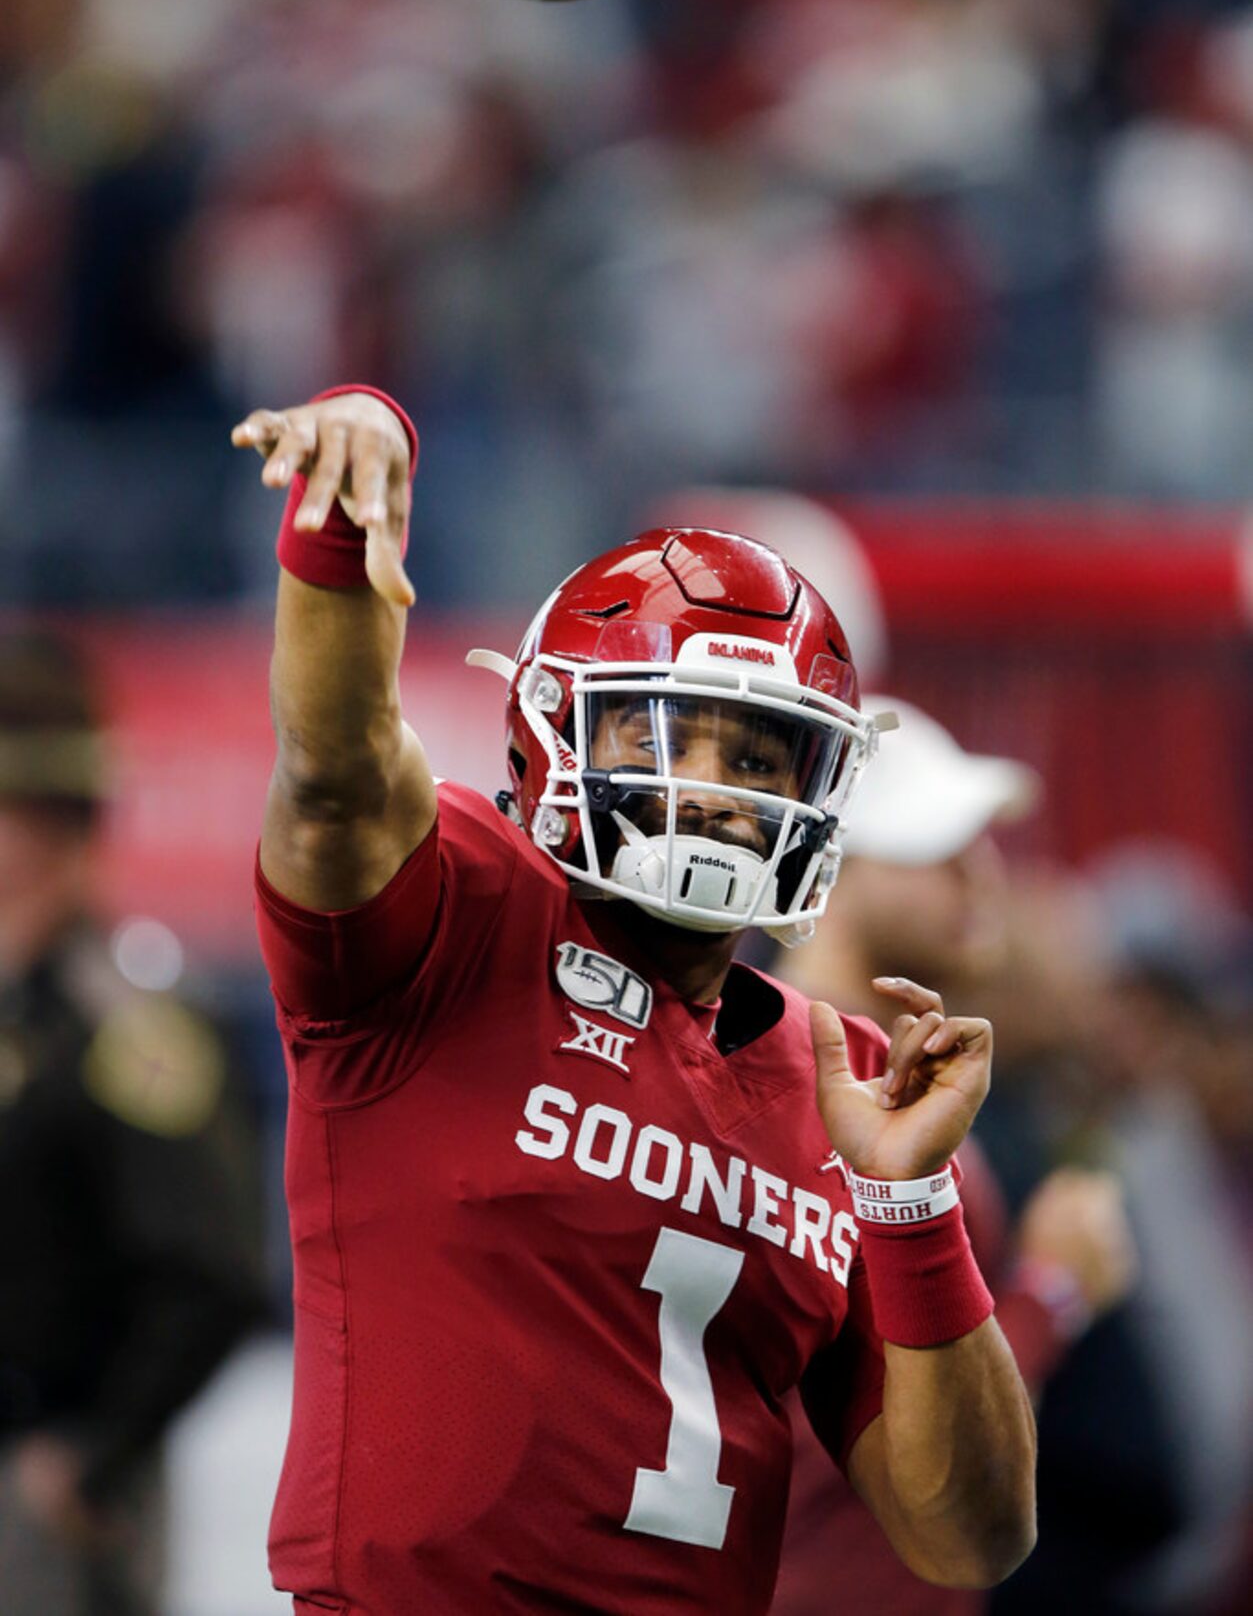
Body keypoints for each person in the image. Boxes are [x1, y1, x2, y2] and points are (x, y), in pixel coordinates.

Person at [233, 386, 1037, 1616]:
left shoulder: (845, 1082)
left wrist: (911, 1201)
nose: (717, 793)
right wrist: (344, 513)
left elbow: (968, 1537)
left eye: (760, 756)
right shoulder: (451, 919)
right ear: (555, 731)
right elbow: (333, 771)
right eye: (673, 735)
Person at [772, 699, 1139, 1616]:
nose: (982, 877)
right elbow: (904, 1454)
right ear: (834, 867)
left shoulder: (838, 1070)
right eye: (938, 844)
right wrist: (1054, 1291)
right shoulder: (822, 1099)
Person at [0, 631, 266, 1616]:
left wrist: (92, 1452)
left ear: (40, 824)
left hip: (43, 1501)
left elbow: (214, 1273)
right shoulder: (27, 1008)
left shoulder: (129, 1023)